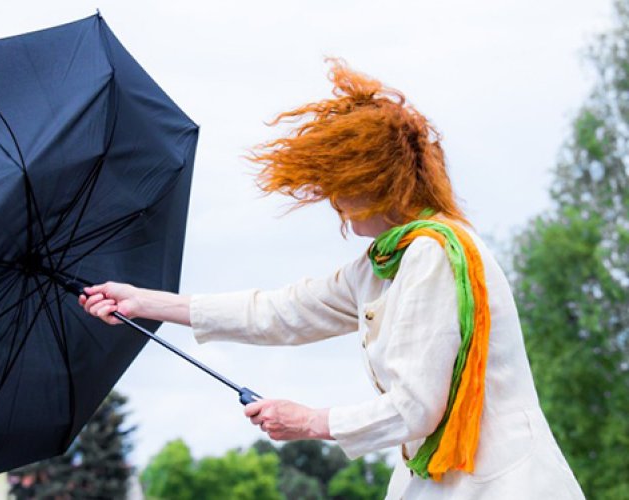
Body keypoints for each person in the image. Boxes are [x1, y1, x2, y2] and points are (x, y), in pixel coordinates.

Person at [77, 58, 585, 499]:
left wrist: (310, 422)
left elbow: (416, 408)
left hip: (500, 484)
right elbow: (280, 311)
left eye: (338, 183)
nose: (332, 199)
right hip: (444, 480)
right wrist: (145, 302)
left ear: (375, 179)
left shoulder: (432, 255)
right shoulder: (384, 263)